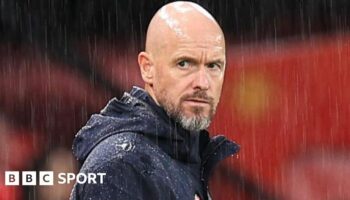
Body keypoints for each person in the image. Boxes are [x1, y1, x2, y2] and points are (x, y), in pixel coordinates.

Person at [70, 1, 239, 200]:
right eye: (184, 63)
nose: (202, 82)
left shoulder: (179, 154)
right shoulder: (122, 166)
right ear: (147, 68)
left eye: (213, 66)